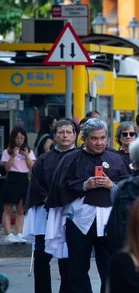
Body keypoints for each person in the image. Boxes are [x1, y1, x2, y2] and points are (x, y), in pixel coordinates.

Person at [47, 118, 131, 293]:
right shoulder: (71, 159)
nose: (99, 142)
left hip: (109, 221)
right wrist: (84, 185)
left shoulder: (116, 158)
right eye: (94, 138)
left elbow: (128, 186)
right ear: (84, 138)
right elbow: (60, 187)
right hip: (79, 220)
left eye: (102, 138)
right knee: (77, 269)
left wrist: (112, 185)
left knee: (110, 269)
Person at [23, 119, 77, 293]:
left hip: (70, 214)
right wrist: (50, 199)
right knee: (41, 256)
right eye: (61, 132)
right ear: (54, 136)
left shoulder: (81, 157)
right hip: (45, 213)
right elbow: (35, 185)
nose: (65, 135)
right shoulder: (43, 159)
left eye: (69, 132)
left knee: (67, 258)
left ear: (75, 135)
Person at [2, 126, 36, 243]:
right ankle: (8, 234)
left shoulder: (29, 151)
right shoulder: (7, 152)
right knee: (8, 208)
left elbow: (32, 167)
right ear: (13, 139)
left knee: (21, 209)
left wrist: (26, 156)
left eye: (22, 138)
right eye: (17, 138)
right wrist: (13, 156)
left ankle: (20, 233)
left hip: (23, 179)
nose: (19, 141)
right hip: (12, 178)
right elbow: (6, 168)